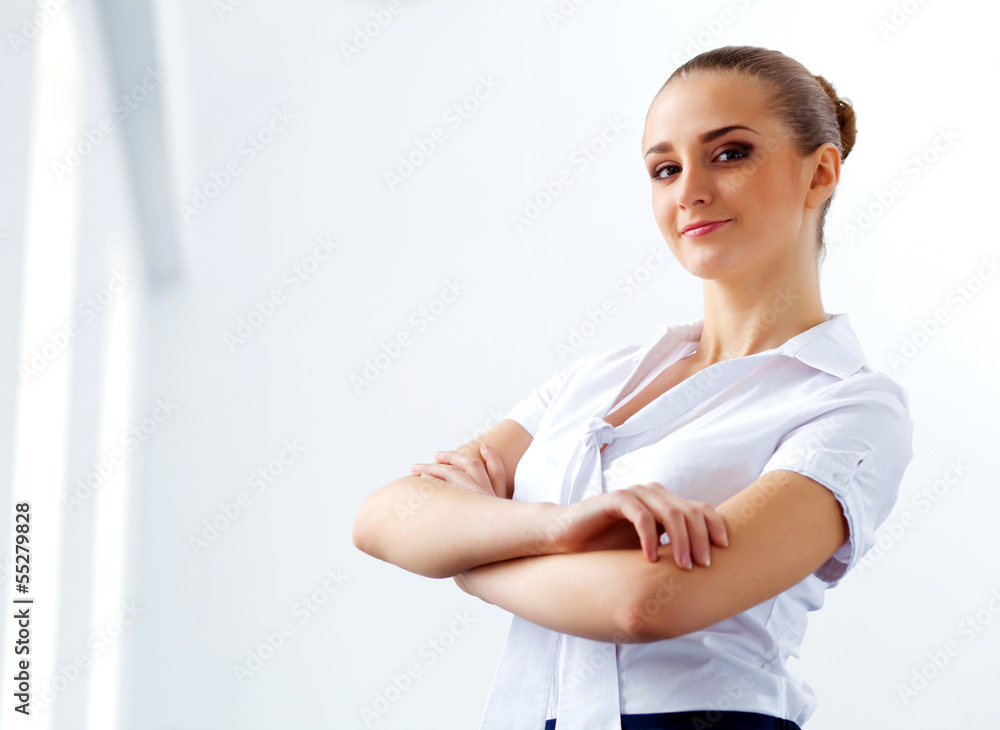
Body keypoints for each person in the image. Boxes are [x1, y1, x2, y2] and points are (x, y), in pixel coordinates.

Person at [352, 45, 915, 730]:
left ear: (819, 170)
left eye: (730, 153)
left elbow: (648, 605)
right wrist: (557, 527)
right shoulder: (596, 381)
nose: (690, 193)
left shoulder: (850, 406)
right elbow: (384, 519)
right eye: (665, 169)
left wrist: (467, 560)